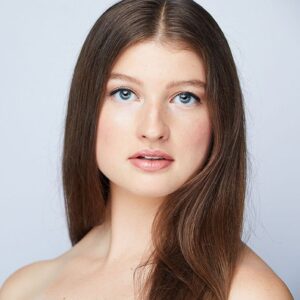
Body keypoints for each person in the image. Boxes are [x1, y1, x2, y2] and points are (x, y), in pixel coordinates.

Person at [0, 0, 294, 299]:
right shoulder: (24, 288)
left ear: (220, 117)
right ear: (86, 108)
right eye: (125, 93)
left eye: (185, 98)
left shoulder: (249, 293)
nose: (153, 129)